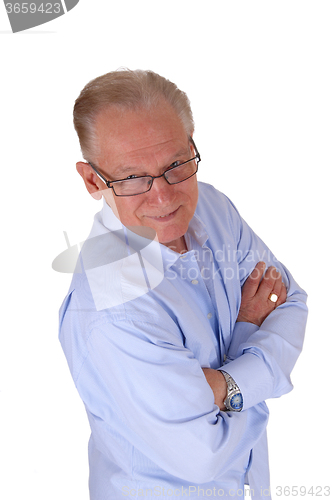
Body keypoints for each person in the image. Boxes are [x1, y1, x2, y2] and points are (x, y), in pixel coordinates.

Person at [59, 69, 308, 499]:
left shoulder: (210, 204)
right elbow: (203, 455)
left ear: (192, 142)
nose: (165, 197)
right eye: (132, 177)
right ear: (92, 181)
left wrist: (219, 387)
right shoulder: (111, 306)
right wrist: (250, 343)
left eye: (176, 164)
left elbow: (290, 301)